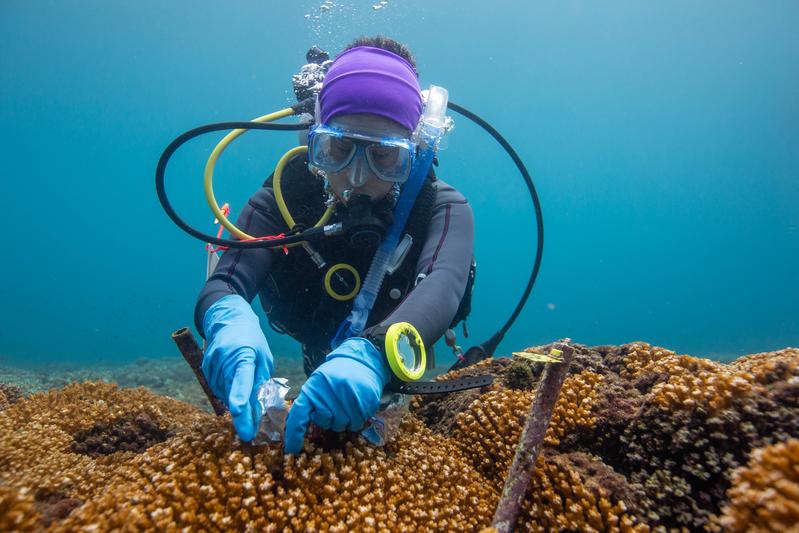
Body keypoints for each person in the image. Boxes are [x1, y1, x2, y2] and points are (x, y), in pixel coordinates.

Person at [194, 36, 474, 454]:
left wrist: (376, 355)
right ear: (315, 141)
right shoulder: (284, 197)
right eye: (339, 149)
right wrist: (227, 318)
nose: (357, 177)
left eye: (384, 156)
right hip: (318, 342)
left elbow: (445, 282)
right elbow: (226, 281)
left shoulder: (441, 207)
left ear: (414, 152)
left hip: (394, 359)